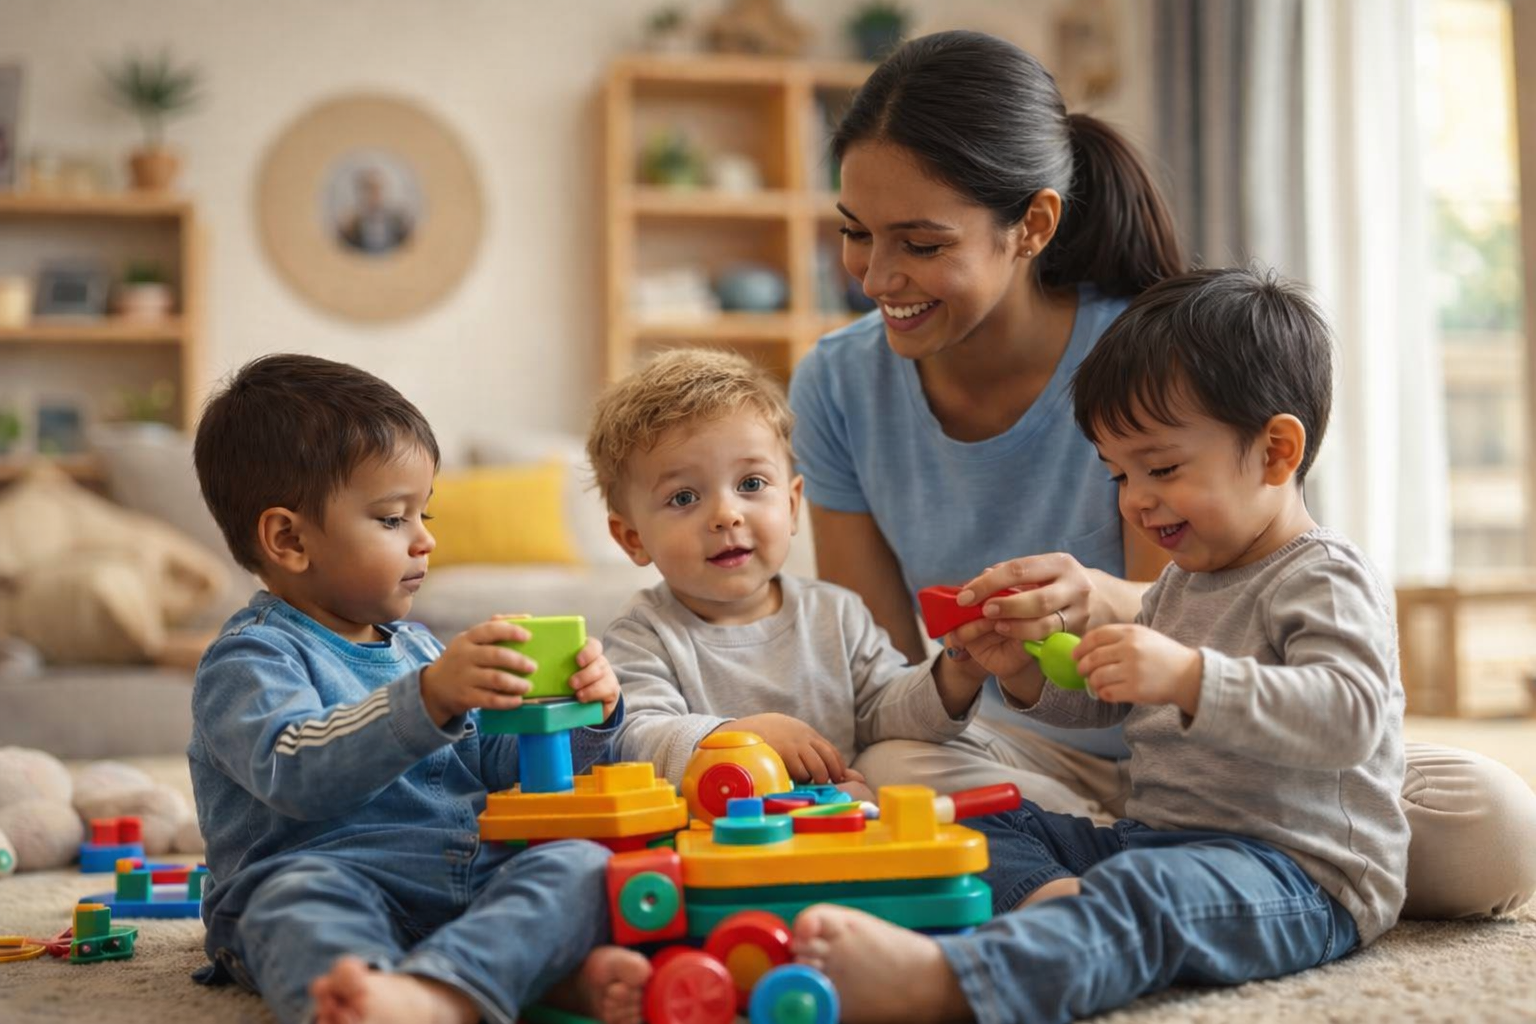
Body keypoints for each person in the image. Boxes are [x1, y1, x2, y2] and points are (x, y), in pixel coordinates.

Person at [788, 27, 1536, 919]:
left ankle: (1139, 878)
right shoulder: (836, 383)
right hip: (1027, 755)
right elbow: (884, 673)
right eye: (856, 234)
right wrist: (992, 672)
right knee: (890, 773)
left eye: (918, 241)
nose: (875, 276)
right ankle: (1171, 880)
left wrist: (1094, 597)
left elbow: (1212, 619)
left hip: (1220, 741)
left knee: (1493, 826)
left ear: (1031, 224)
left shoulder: (1141, 367)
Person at [793, 266, 1407, 1023]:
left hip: (1299, 876)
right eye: (1119, 474)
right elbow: (1112, 704)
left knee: (1145, 898)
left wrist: (1187, 677)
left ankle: (954, 983)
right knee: (973, 818)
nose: (1136, 500)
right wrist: (1021, 676)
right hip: (1157, 841)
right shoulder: (1185, 580)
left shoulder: (1325, 576)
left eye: (1162, 468)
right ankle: (1064, 924)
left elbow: (1351, 717)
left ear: (1278, 453)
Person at [187, 354, 648, 1024]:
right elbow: (297, 770)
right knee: (295, 906)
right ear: (288, 538)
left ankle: (442, 991)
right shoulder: (251, 658)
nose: (426, 540)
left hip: (457, 879)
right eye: (391, 518)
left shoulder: (419, 648)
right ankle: (403, 990)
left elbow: (497, 773)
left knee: (579, 865)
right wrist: (428, 699)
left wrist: (583, 713)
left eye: (422, 514)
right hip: (333, 877)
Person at [587, 348, 984, 800]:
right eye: (683, 498)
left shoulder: (836, 613)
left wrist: (957, 672)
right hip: (720, 851)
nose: (726, 515)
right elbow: (637, 740)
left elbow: (886, 711)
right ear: (632, 538)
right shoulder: (645, 635)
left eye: (751, 484)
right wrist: (740, 737)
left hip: (843, 833)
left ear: (792, 505)